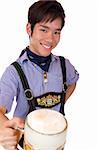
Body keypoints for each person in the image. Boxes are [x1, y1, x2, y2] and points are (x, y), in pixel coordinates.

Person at [0, 1, 79, 150]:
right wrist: (4, 130)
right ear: (29, 28)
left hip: (58, 142)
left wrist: (61, 102)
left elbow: (73, 81)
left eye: (56, 32)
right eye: (44, 30)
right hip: (28, 143)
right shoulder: (14, 72)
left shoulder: (64, 65)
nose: (50, 39)